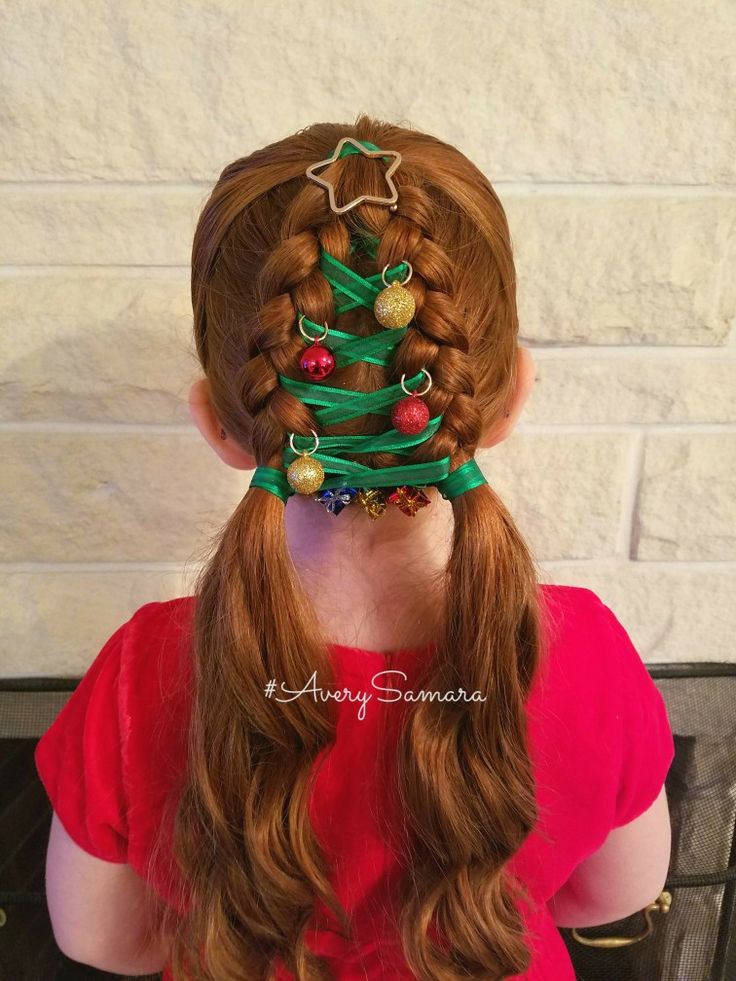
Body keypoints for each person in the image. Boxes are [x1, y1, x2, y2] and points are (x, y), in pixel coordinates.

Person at [34, 115, 675, 981]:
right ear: (506, 397)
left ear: (223, 424)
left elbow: (100, 939)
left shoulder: (141, 672)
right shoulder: (584, 652)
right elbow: (613, 894)